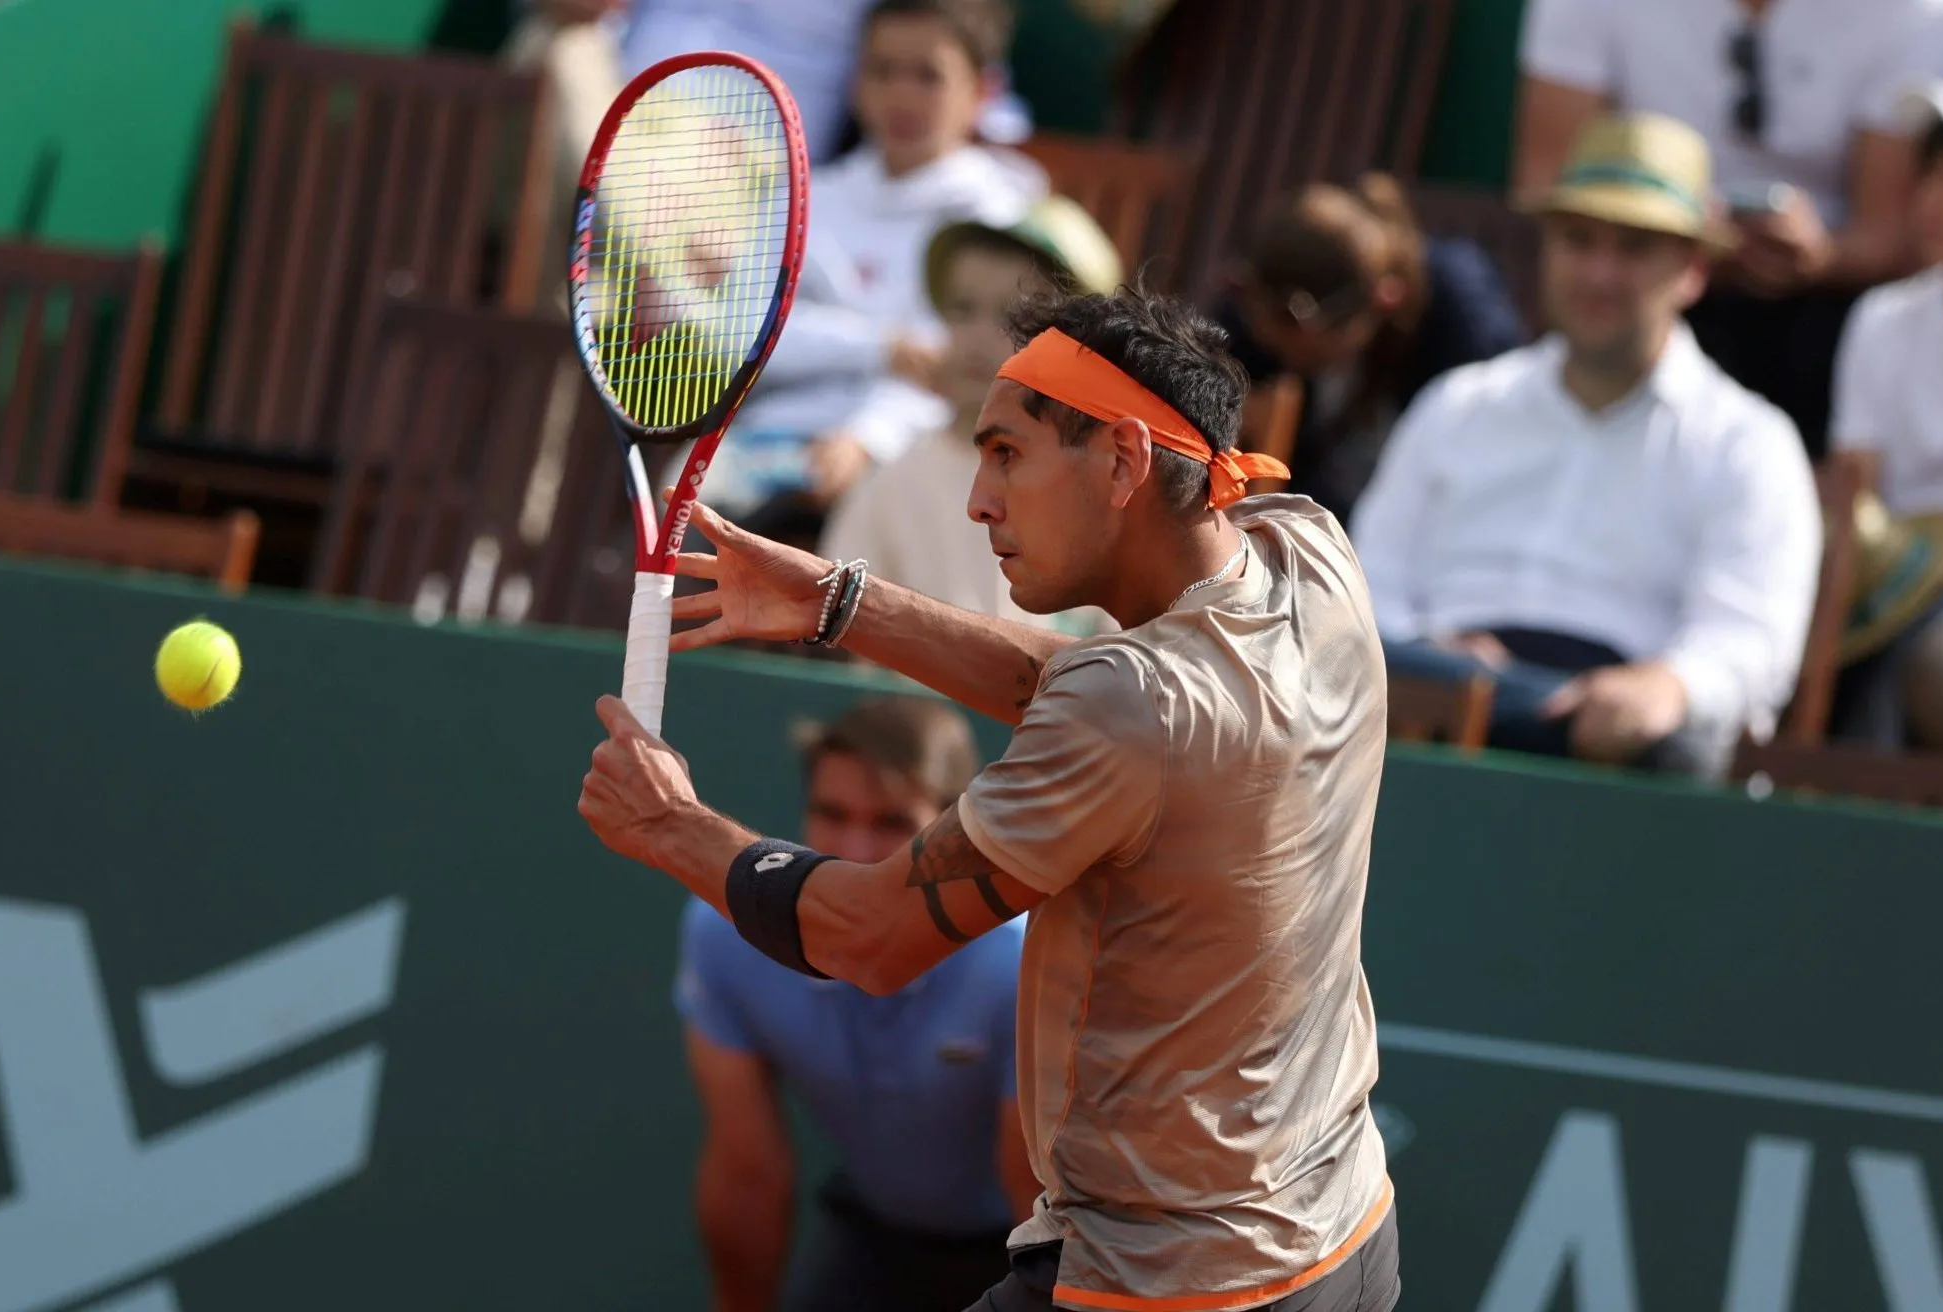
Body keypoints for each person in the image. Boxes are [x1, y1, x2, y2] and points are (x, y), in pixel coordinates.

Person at [579, 284, 1400, 1311]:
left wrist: (671, 828)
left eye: (1007, 451)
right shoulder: (1305, 551)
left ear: (1123, 461)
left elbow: (868, 939)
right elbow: (1098, 698)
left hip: (1177, 1286)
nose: (977, 498)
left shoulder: (1131, 706)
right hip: (1344, 1234)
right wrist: (841, 604)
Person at [1351, 112, 1822, 779]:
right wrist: (1431, 655)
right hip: (1413, 726)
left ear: (1692, 269)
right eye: (1578, 239)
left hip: (1614, 760)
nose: (1600, 273)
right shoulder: (1457, 405)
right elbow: (1367, 585)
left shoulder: (1748, 442)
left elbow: (1749, 644)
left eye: (1632, 248)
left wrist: (1666, 688)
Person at [676, 696, 1035, 1312]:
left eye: (892, 822)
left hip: (1014, 1256)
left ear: (955, 832)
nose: (855, 850)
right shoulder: (726, 935)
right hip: (872, 1238)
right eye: (831, 814)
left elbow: (1036, 1203)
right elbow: (748, 1173)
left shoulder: (1016, 963)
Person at [1511, 0, 1943, 452]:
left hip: (1822, 318)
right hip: (1657, 284)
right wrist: (1664, 238)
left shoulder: (1909, 13)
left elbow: (1892, 235)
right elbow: (1547, 187)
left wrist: (1823, 256)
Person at [690, 0, 1048, 544]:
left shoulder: (1000, 214)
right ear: (856, 84)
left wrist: (864, 441)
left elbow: (964, 364)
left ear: (982, 93)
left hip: (923, 451)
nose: (902, 95)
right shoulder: (809, 196)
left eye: (928, 75)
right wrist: (884, 348)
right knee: (686, 515)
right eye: (883, 71)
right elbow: (741, 336)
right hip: (766, 441)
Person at [821, 195, 1122, 634]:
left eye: (1015, 316)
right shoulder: (895, 482)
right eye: (963, 308)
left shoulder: (1104, 489)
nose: (979, 337)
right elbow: (839, 633)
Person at [1215, 174, 1526, 523]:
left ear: (1383, 300)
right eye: (1268, 331)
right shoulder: (1248, 318)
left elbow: (1495, 446)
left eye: (1299, 337)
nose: (1282, 353)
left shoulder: (1461, 325)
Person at [1825, 82, 1943, 746]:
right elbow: (1856, 502)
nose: (1933, 200)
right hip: (1897, 599)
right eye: (1931, 173)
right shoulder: (1879, 320)